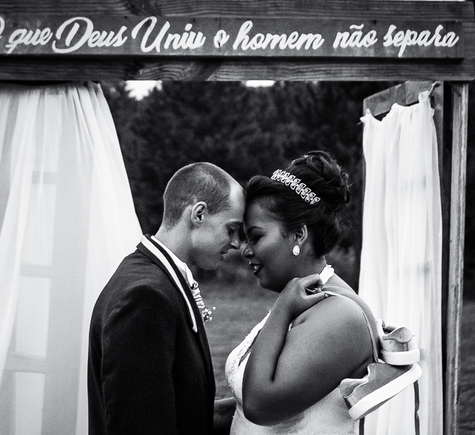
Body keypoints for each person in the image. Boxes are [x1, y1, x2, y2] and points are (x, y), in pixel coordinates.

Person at [224, 151, 380, 435]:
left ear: (298, 234)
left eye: (256, 237)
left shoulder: (340, 315)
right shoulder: (307, 300)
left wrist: (282, 308)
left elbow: (261, 406)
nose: (245, 250)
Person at [88, 162, 246, 435]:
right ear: (198, 214)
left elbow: (179, 407)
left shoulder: (155, 279)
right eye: (231, 229)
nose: (236, 244)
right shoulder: (145, 298)